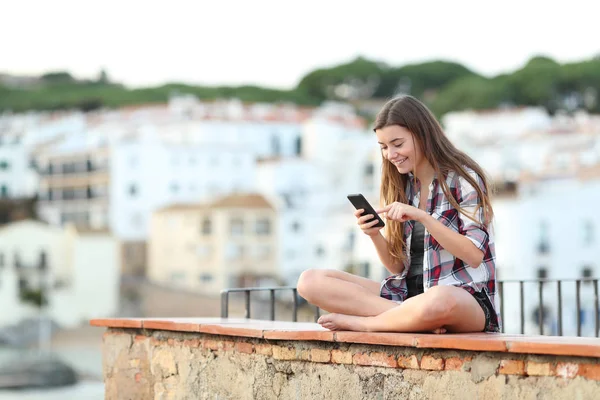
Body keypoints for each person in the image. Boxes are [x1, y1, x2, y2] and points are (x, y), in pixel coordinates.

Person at [297, 95, 501, 334]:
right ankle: (409, 319)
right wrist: (374, 234)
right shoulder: (404, 186)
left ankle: (370, 324)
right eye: (384, 147)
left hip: (467, 301)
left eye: (397, 144)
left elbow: (474, 255)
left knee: (439, 299)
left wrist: (423, 217)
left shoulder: (463, 180)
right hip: (408, 295)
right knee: (310, 281)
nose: (390, 154)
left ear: (422, 135)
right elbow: (397, 267)